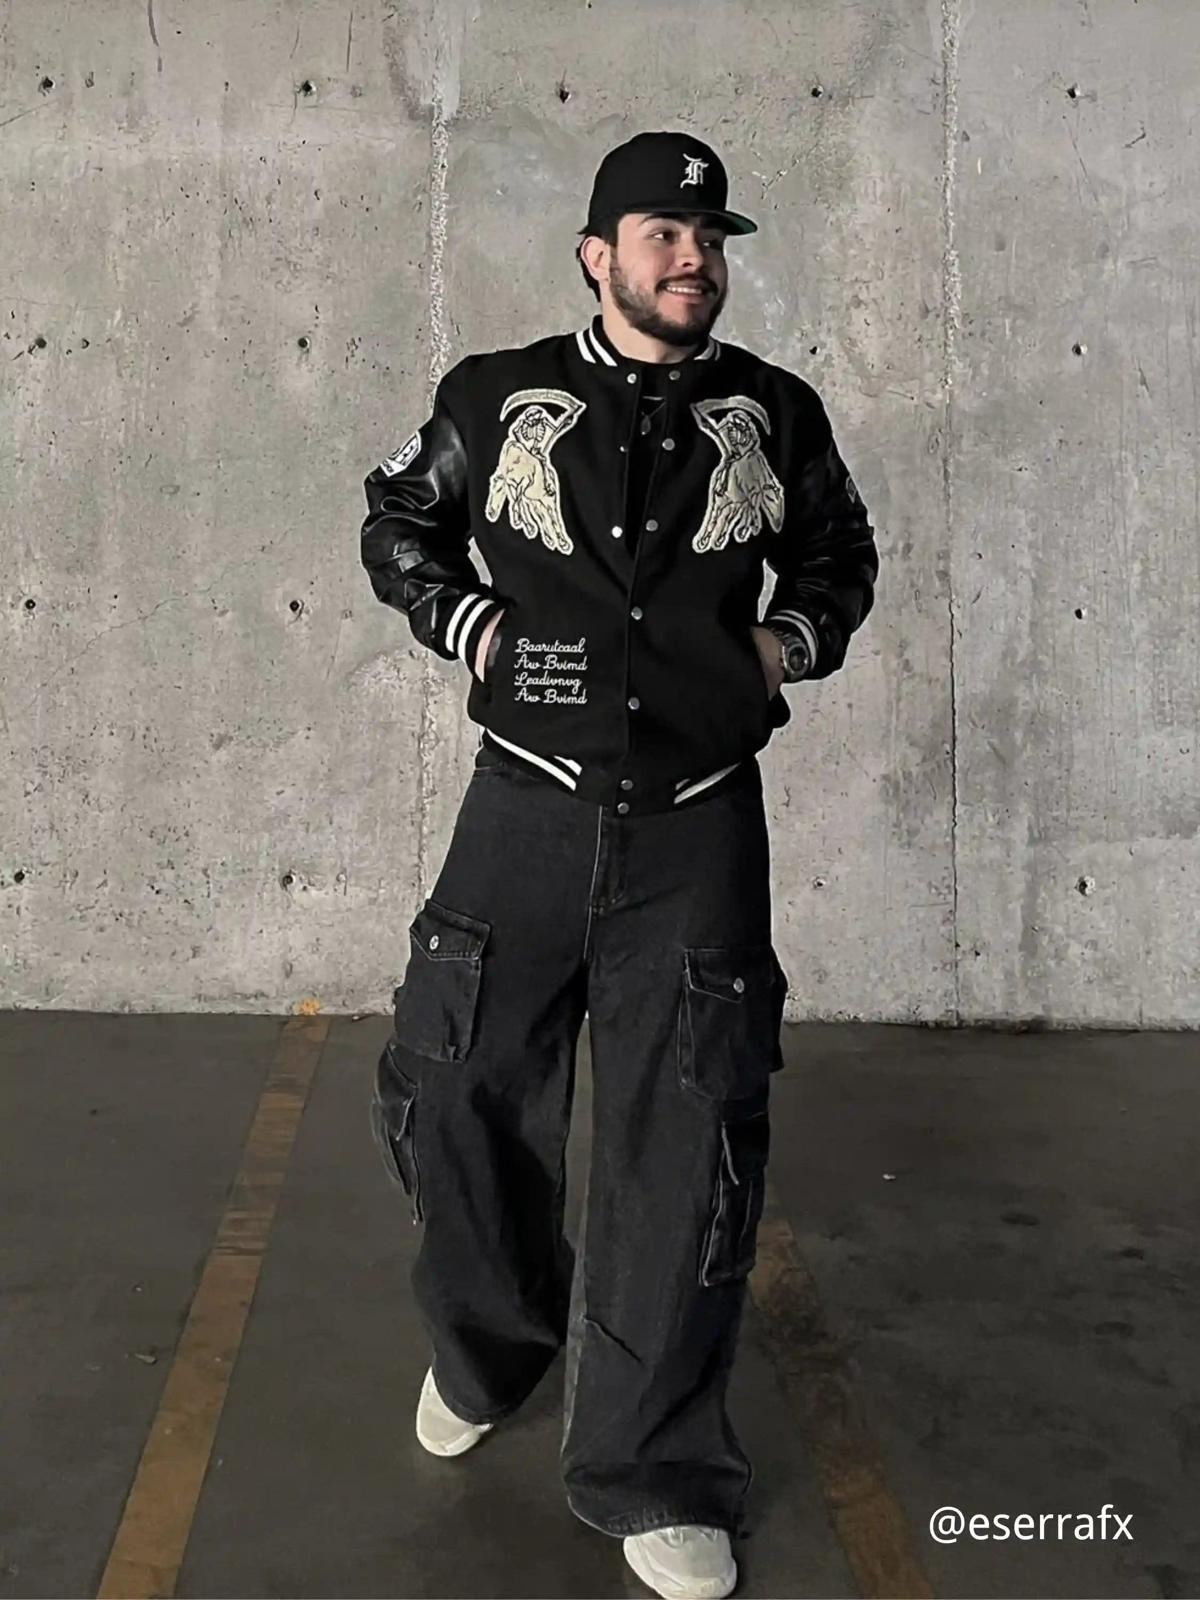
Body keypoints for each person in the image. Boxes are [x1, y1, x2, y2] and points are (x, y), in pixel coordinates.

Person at [360, 129, 879, 1600]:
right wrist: (470, 627)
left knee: (688, 1136)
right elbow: (399, 521)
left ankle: (654, 1467)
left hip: (697, 823)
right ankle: (489, 1348)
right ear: (597, 255)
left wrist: (785, 645)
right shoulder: (494, 396)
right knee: (456, 1086)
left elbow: (840, 557)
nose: (691, 259)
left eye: (708, 240)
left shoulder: (774, 413)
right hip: (523, 808)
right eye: (662, 235)